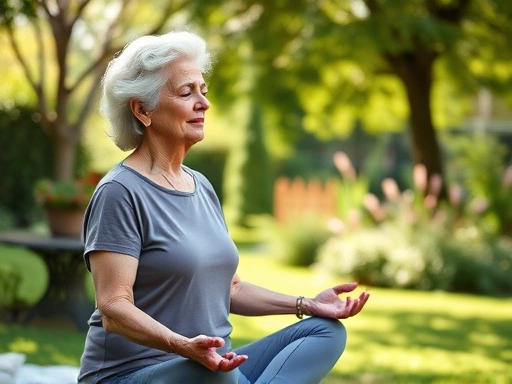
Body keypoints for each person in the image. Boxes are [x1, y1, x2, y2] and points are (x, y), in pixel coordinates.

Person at [78, 30, 370, 384]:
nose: (204, 103)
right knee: (217, 375)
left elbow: (229, 288)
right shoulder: (119, 191)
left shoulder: (200, 186)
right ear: (143, 110)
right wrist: (183, 346)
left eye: (204, 91)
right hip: (128, 375)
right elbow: (113, 307)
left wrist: (307, 304)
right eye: (187, 92)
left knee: (326, 333)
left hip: (209, 367)